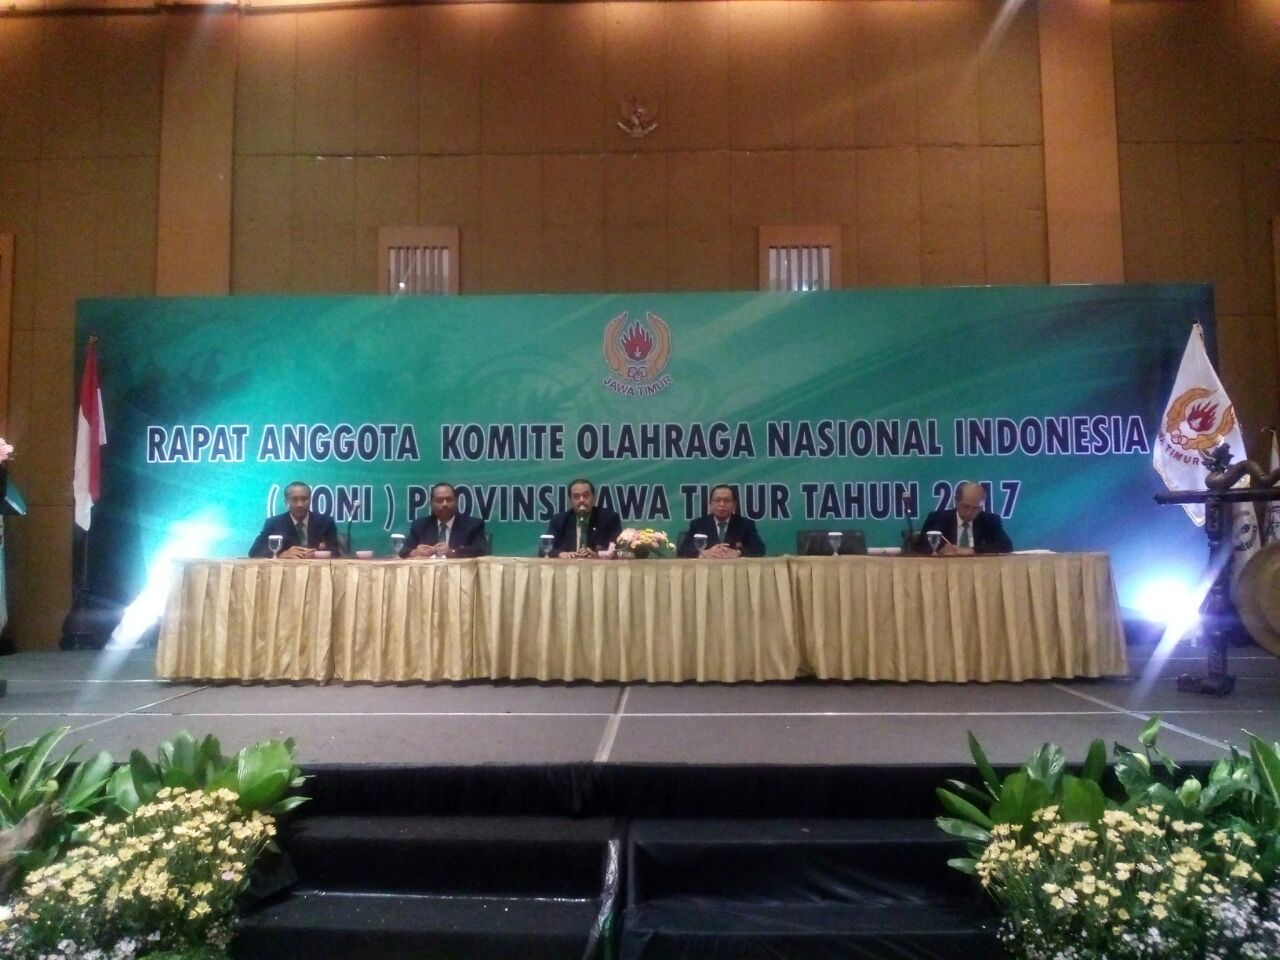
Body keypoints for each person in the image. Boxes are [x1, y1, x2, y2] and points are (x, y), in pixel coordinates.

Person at [913, 481, 1013, 555]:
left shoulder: (990, 520)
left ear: (981, 505)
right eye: (966, 506)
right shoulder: (938, 518)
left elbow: (1006, 546)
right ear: (956, 501)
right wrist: (940, 550)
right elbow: (919, 547)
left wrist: (972, 550)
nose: (969, 512)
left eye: (975, 508)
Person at [249, 481, 340, 558]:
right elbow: (254, 552)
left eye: (304, 499)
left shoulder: (325, 522)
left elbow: (336, 552)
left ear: (310, 500)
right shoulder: (274, 523)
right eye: (294, 499)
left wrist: (315, 555)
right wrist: (281, 554)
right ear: (286, 502)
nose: (300, 504)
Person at [401, 482, 489, 558]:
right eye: (439, 500)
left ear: (456, 501)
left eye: (449, 499)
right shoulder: (419, 525)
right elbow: (403, 551)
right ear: (431, 504)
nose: (445, 504)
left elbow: (482, 551)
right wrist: (414, 552)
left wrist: (453, 553)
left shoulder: (473, 525)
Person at [677, 484, 766, 558]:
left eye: (727, 500)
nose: (722, 504)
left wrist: (738, 553)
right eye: (717, 500)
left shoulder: (745, 524)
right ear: (710, 504)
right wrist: (703, 553)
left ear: (734, 505)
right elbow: (683, 552)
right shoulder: (698, 524)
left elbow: (759, 549)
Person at [545, 478, 622, 558]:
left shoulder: (609, 518)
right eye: (576, 496)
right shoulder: (559, 520)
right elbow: (544, 549)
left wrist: (597, 555)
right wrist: (561, 554)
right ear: (570, 500)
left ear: (593, 498)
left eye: (586, 495)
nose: (581, 500)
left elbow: (618, 550)